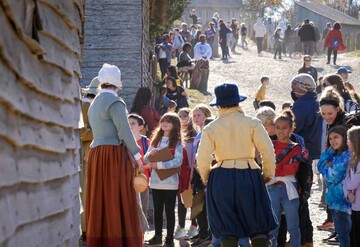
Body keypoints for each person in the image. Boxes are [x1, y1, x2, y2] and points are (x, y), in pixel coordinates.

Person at [196, 83, 277, 247]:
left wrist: (206, 177)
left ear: (218, 105)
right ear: (237, 101)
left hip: (220, 177)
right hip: (249, 174)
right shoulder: (252, 123)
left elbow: (202, 157)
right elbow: (267, 150)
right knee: (258, 224)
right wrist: (268, 173)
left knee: (227, 227)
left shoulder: (211, 127)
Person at [86, 63, 143, 246]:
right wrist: (137, 156)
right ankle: (119, 241)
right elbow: (125, 132)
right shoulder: (115, 102)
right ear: (117, 82)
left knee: (100, 198)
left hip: (96, 154)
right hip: (112, 155)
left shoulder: (94, 102)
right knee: (116, 197)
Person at [290, 74, 322, 246]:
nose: (293, 91)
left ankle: (303, 238)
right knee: (303, 196)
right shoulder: (316, 102)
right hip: (313, 153)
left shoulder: (302, 105)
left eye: (295, 88)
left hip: (300, 155)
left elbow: (293, 129)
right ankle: (306, 238)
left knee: (298, 197)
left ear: (301, 88)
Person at [144, 113, 184, 247]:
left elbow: (178, 161)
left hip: (171, 182)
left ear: (175, 125)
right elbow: (145, 159)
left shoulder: (177, 141)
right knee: (157, 210)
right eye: (163, 121)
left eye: (168, 121)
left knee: (170, 210)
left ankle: (170, 238)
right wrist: (150, 154)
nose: (165, 124)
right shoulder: (156, 140)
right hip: (155, 181)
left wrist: (159, 165)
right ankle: (157, 236)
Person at [267, 110, 302, 247]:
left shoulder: (296, 147)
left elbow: (294, 168)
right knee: (272, 228)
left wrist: (276, 170)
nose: (281, 131)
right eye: (278, 127)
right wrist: (282, 169)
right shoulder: (270, 145)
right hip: (272, 188)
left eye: (284, 128)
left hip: (289, 189)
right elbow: (267, 165)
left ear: (291, 128)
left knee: (293, 226)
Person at [318, 126, 351, 247]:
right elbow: (319, 166)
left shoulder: (346, 156)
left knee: (345, 237)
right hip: (335, 202)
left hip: (344, 203)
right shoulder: (336, 154)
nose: (333, 141)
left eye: (336, 137)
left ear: (344, 137)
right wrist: (330, 152)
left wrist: (327, 167)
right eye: (330, 138)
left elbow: (332, 176)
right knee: (342, 236)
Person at [80, 76, 100, 242]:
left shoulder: (92, 104)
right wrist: (103, 132)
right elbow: (81, 132)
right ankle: (87, 229)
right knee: (87, 190)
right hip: (87, 153)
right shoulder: (85, 105)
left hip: (96, 151)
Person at [190, 104, 213, 246]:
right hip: (197, 174)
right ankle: (203, 231)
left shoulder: (210, 134)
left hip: (208, 174)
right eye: (194, 116)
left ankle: (210, 234)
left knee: (208, 206)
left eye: (199, 115)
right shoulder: (197, 135)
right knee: (198, 205)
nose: (196, 118)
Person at [174, 108, 198, 239]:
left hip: (194, 173)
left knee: (194, 200)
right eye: (180, 116)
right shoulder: (177, 136)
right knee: (182, 200)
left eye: (184, 116)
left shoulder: (195, 136)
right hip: (181, 174)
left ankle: (194, 226)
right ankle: (181, 226)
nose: (182, 119)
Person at [343, 126, 360, 247]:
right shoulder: (354, 160)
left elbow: (351, 183)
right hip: (355, 204)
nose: (347, 142)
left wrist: (346, 184)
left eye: (349, 139)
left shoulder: (358, 162)